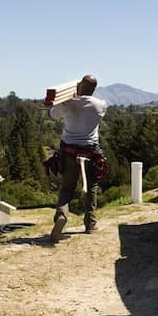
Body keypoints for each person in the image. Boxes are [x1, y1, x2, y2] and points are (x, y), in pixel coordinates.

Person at [48, 74, 107, 243]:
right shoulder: (101, 105)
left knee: (67, 188)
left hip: (69, 152)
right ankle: (90, 224)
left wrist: (65, 100)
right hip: (91, 152)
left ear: (79, 85)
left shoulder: (67, 103)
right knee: (92, 186)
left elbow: (51, 116)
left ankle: (61, 215)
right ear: (94, 89)